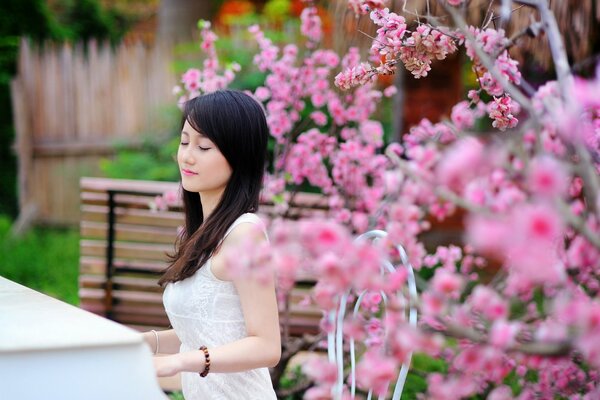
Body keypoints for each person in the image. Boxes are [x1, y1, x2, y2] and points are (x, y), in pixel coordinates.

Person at [141, 89, 281, 399]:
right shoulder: (205, 234)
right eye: (184, 141)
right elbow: (208, 333)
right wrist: (146, 343)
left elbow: (268, 346)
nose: (188, 155)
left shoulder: (245, 234)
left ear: (239, 155)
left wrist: (178, 363)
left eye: (204, 146)